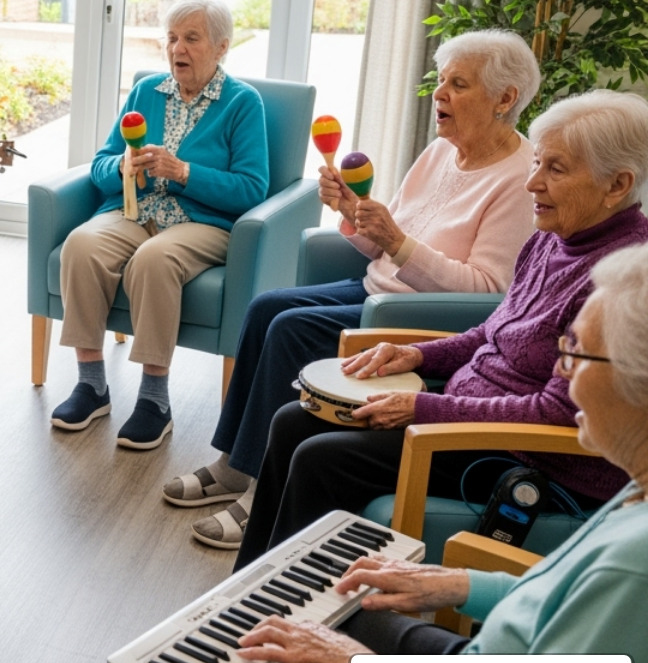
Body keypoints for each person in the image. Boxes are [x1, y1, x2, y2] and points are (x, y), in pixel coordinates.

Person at [143, 241, 648, 663]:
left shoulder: (634, 564)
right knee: (299, 619)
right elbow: (562, 610)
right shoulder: (637, 492)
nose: (560, 373)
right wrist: (461, 584)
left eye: (576, 353)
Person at [235, 89, 648, 569]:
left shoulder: (623, 278)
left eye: (555, 170)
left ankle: (299, 600)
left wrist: (425, 407)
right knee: (293, 420)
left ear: (617, 185)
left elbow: (557, 413)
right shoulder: (551, 238)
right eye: (536, 162)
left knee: (322, 458)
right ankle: (251, 587)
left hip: (530, 457)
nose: (532, 182)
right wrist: (419, 355)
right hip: (467, 421)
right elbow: (491, 332)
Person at [166, 29, 539, 550]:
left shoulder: (519, 180)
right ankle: (234, 463)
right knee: (266, 307)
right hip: (376, 287)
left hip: (414, 315)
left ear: (505, 98)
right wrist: (352, 211)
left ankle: (258, 492)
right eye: (441, 81)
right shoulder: (440, 151)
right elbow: (386, 244)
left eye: (459, 85)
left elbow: (487, 292)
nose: (439, 94)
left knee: (290, 328)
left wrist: (396, 241)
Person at [50, 0, 268, 449]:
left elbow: (252, 189)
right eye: (171, 38)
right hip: (135, 211)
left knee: (155, 259)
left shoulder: (243, 103)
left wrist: (184, 172)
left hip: (202, 222)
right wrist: (122, 168)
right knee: (81, 245)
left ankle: (154, 400)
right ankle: (91, 385)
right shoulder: (147, 91)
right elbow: (101, 164)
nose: (177, 49)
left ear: (222, 46)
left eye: (191, 38)